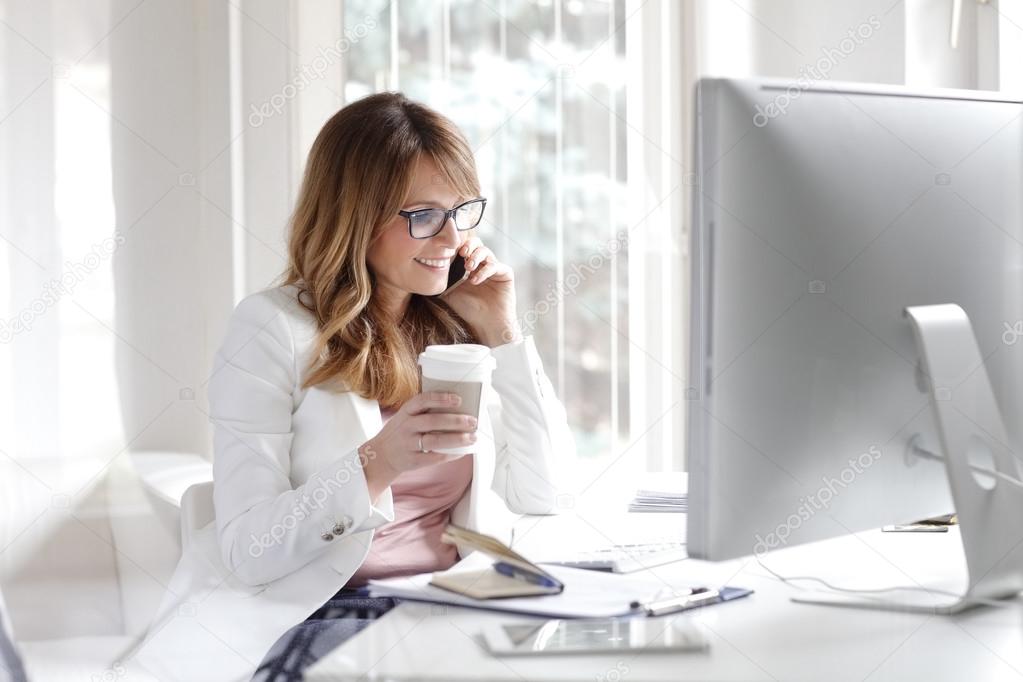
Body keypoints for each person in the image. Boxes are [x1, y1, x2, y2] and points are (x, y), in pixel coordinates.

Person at [134, 92, 575, 682]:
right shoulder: (271, 328)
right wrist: (377, 461)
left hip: (455, 601)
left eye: (460, 210)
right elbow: (248, 552)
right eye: (422, 215)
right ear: (355, 216)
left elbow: (543, 493)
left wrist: (505, 335)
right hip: (328, 609)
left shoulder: (457, 326)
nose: (449, 239)